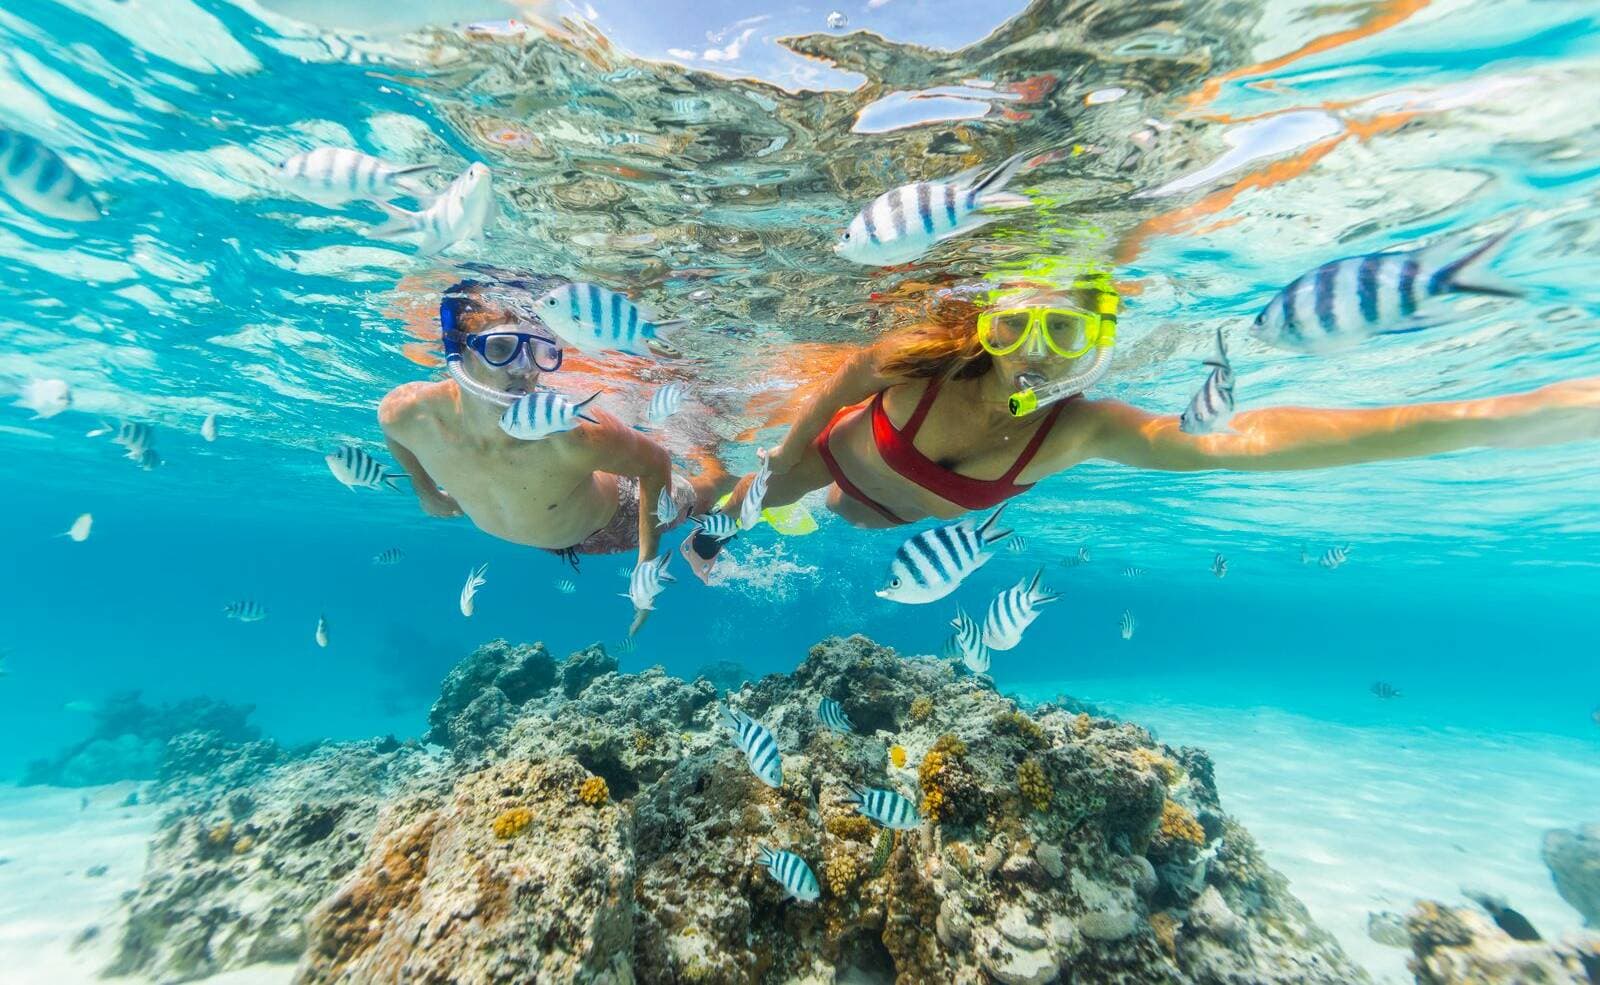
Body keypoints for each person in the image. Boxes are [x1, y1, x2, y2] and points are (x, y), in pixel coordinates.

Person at [684, 274, 1600, 576]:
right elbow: (841, 376)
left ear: (1102, 342)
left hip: (884, 516)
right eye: (1012, 325)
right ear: (986, 321)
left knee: (814, 520)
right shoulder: (924, 352)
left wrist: (1484, 419)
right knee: (729, 509)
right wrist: (777, 455)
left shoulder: (1082, 430)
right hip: (828, 466)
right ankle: (706, 493)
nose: (1028, 357)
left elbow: (1243, 443)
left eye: (1068, 331)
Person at [379, 274, 726, 601]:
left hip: (618, 520)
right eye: (501, 349)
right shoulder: (409, 413)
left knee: (706, 491)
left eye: (541, 353)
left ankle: (723, 477)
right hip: (553, 534)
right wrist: (425, 492)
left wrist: (646, 561)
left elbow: (656, 462)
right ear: (458, 352)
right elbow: (392, 432)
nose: (524, 368)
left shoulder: (573, 434)